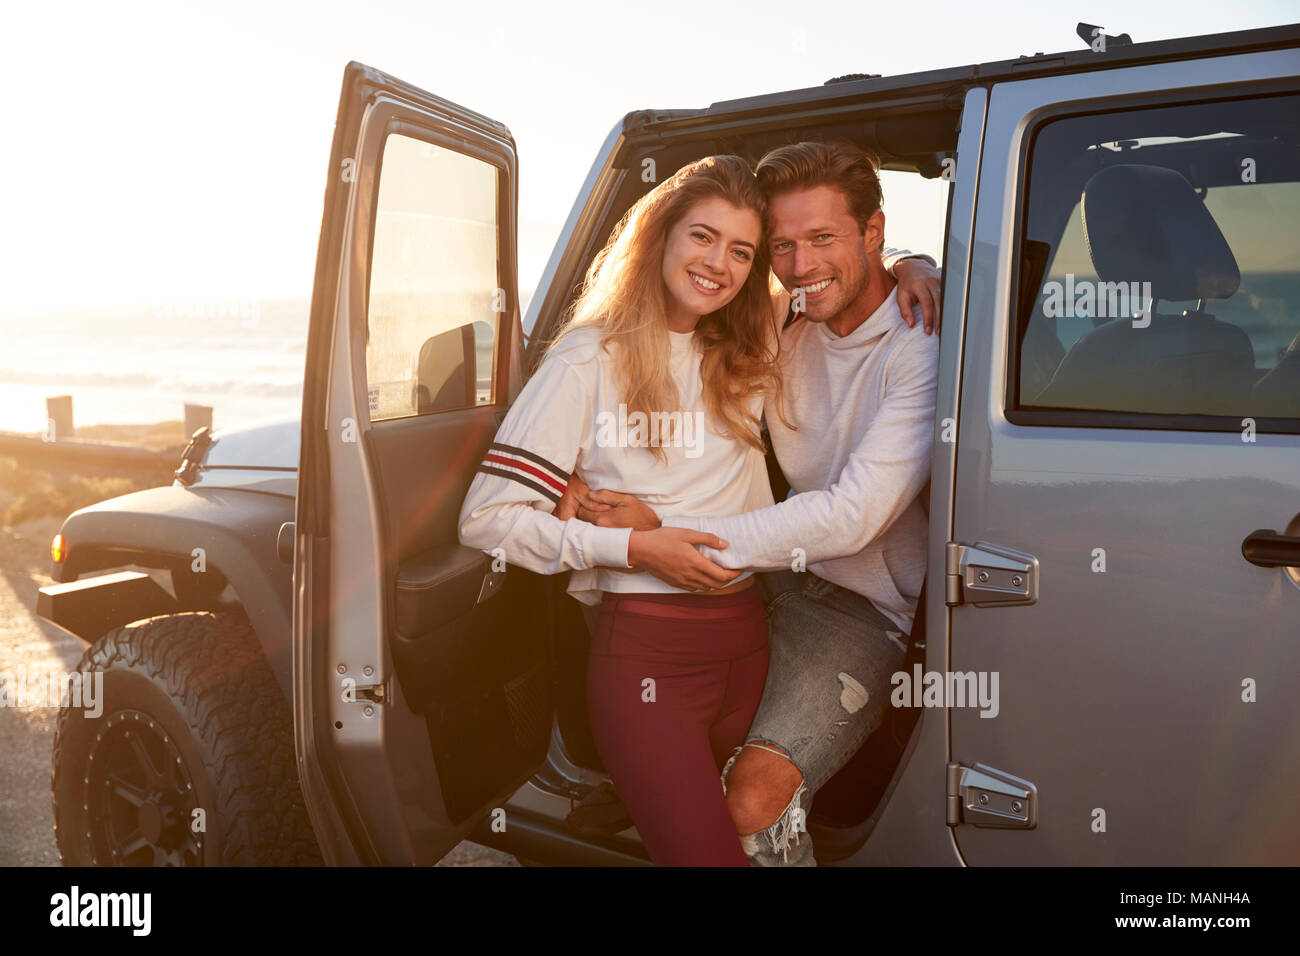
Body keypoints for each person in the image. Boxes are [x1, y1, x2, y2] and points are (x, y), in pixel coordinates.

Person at [459, 152, 938, 865]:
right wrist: (615, 528)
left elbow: (850, 516)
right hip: (707, 615)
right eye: (779, 246)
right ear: (660, 237)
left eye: (742, 249)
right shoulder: (753, 329)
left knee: (745, 803)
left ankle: (653, 783)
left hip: (808, 609)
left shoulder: (858, 338)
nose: (799, 264)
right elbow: (490, 515)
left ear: (871, 233)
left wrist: (919, 264)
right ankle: (646, 780)